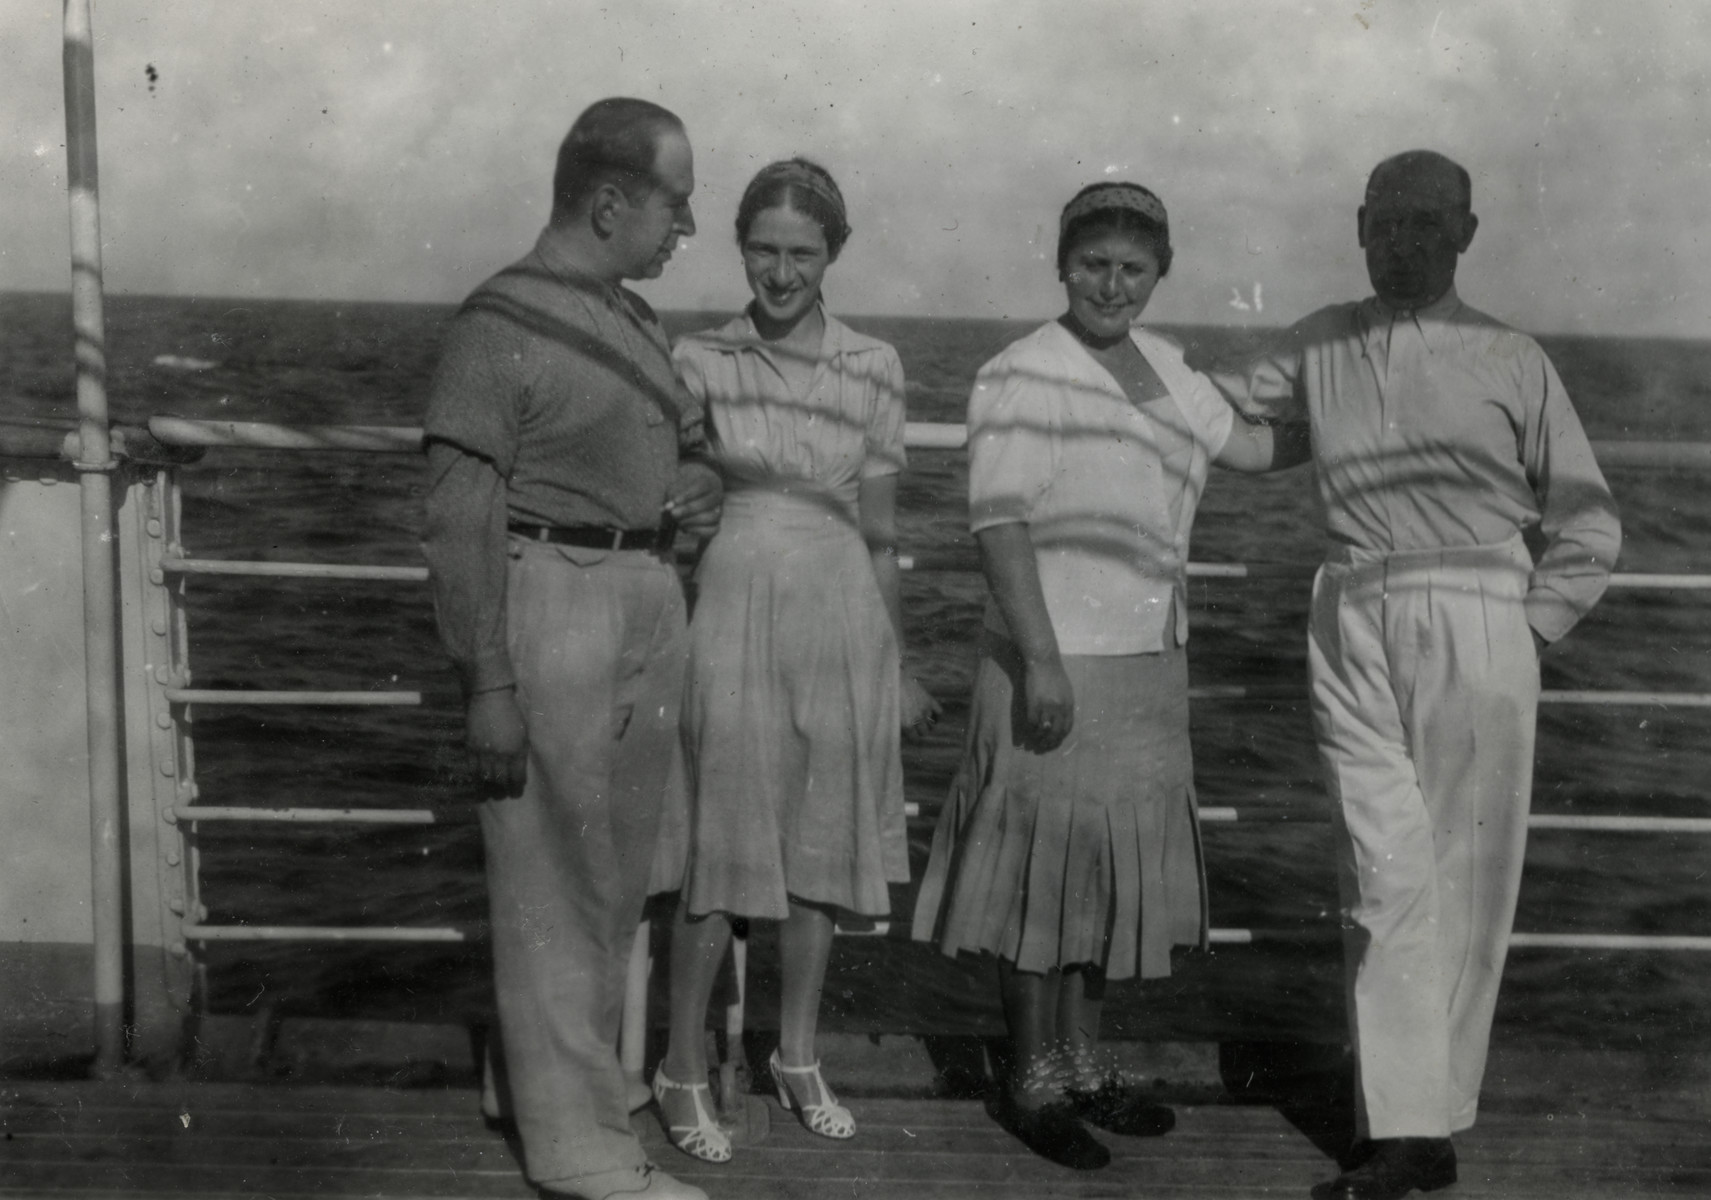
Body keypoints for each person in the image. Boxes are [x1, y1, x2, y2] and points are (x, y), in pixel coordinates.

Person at [1219, 150, 1621, 1200]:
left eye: (1427, 223)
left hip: (1476, 612)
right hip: (1349, 607)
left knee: (1463, 884)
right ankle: (1410, 1126)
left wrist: (1526, 627)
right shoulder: (1319, 339)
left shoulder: (1511, 356)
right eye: (1387, 221)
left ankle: (1418, 1127)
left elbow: (1585, 516)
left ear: (1466, 233)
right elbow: (1234, 426)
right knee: (1383, 874)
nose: (1405, 240)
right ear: (1358, 226)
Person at [910, 182, 1308, 1171]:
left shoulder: (1168, 366)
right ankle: (1031, 1079)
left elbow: (1253, 448)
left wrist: (1354, 404)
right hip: (1055, 660)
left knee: (1100, 877)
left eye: (1133, 269)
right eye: (1093, 264)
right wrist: (1040, 661)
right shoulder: (1020, 373)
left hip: (1146, 661)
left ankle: (1082, 1062)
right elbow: (997, 526)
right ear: (1061, 264)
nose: (1111, 285)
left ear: (1158, 276)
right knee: (1040, 877)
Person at [421, 98, 720, 1200]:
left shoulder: (633, 322)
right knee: (553, 880)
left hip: (644, 597)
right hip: (550, 602)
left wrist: (701, 483)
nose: (685, 225)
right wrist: (485, 682)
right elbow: (458, 515)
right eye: (673, 203)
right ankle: (579, 1151)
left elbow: (695, 450)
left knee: (611, 881)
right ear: (608, 203)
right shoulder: (497, 322)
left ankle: (561, 1089)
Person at [648, 158, 940, 1164]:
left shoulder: (875, 364)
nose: (780, 272)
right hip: (733, 602)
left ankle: (797, 1052)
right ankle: (683, 1065)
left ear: (834, 255)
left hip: (843, 613)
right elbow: (679, 479)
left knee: (818, 856)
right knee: (714, 855)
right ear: (739, 248)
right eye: (763, 249)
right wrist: (688, 483)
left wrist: (896, 663)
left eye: (801, 253)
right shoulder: (696, 358)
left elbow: (880, 530)